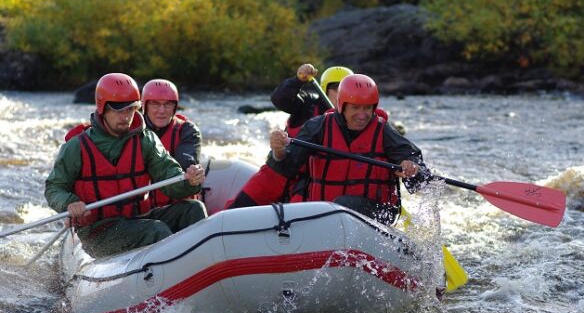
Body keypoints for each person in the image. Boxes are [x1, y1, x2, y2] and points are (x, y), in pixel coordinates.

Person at [45, 72, 207, 258]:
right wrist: (69, 203)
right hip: (99, 231)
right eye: (118, 110)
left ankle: (205, 267)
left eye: (130, 109)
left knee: (194, 210)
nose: (126, 117)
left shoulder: (145, 140)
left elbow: (168, 173)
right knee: (156, 231)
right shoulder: (77, 146)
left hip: (138, 218)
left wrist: (189, 182)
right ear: (102, 108)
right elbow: (53, 188)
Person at [266, 73, 431, 225]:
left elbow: (415, 163)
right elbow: (288, 166)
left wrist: (412, 167)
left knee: (342, 206)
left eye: (367, 108)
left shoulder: (383, 131)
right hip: (323, 214)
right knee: (335, 208)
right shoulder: (318, 126)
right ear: (342, 106)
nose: (362, 115)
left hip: (378, 214)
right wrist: (278, 152)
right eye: (355, 108)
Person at [225, 64, 354, 209]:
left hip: (307, 181)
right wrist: (298, 80)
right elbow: (280, 99)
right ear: (325, 89)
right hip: (278, 171)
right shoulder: (307, 104)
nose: (342, 95)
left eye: (346, 91)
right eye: (337, 90)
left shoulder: (354, 120)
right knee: (237, 207)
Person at [141, 78, 202, 207]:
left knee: (195, 208)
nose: (162, 110)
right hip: (145, 209)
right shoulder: (132, 130)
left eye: (168, 104)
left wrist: (191, 171)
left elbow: (186, 159)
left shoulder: (188, 130)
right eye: (155, 104)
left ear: (175, 107)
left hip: (178, 206)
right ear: (144, 106)